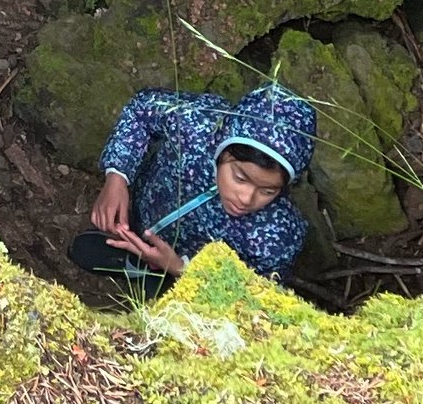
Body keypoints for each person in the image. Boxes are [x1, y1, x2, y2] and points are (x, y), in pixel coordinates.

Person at [76, 87, 316, 286]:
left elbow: (258, 294)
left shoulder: (278, 235)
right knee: (89, 249)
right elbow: (142, 110)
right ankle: (133, 255)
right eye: (240, 178)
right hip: (142, 210)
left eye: (268, 191)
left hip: (186, 271)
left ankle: (161, 281)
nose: (246, 198)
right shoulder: (194, 127)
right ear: (224, 148)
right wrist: (117, 175)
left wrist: (183, 270)